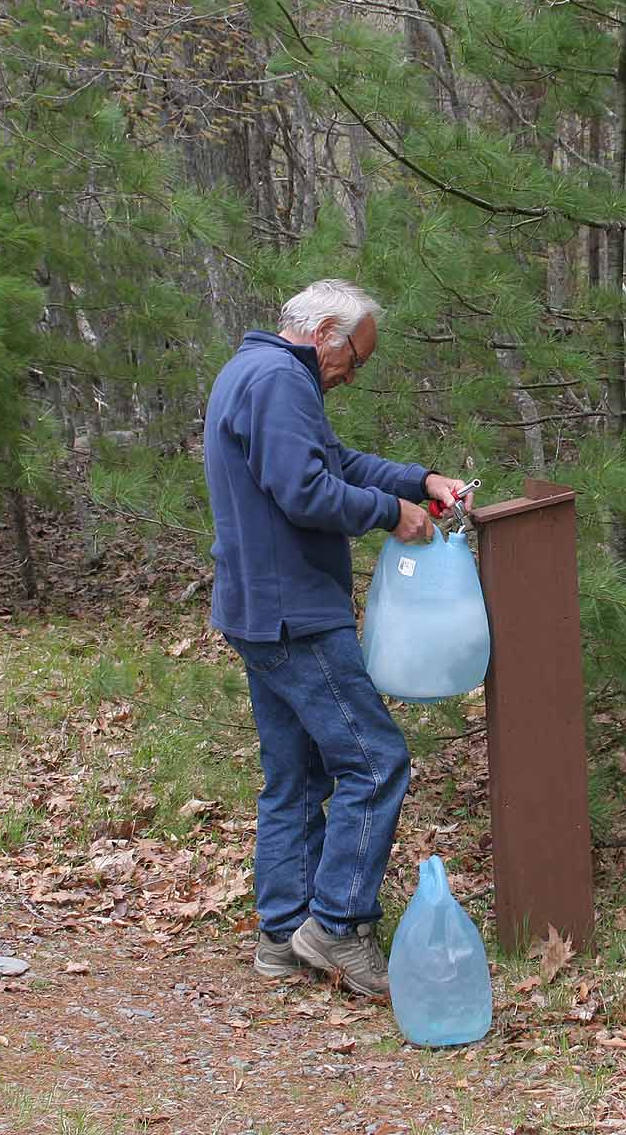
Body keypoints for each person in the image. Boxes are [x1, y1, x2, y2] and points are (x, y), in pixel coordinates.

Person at [203, 279, 469, 997]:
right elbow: (307, 492)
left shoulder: (253, 372)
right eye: (356, 355)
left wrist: (420, 478)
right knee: (375, 762)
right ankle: (337, 926)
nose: (355, 371)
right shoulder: (279, 382)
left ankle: (281, 937)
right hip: (296, 615)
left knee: (295, 776)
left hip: (256, 610)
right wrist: (394, 514)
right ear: (323, 330)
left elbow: (335, 463)